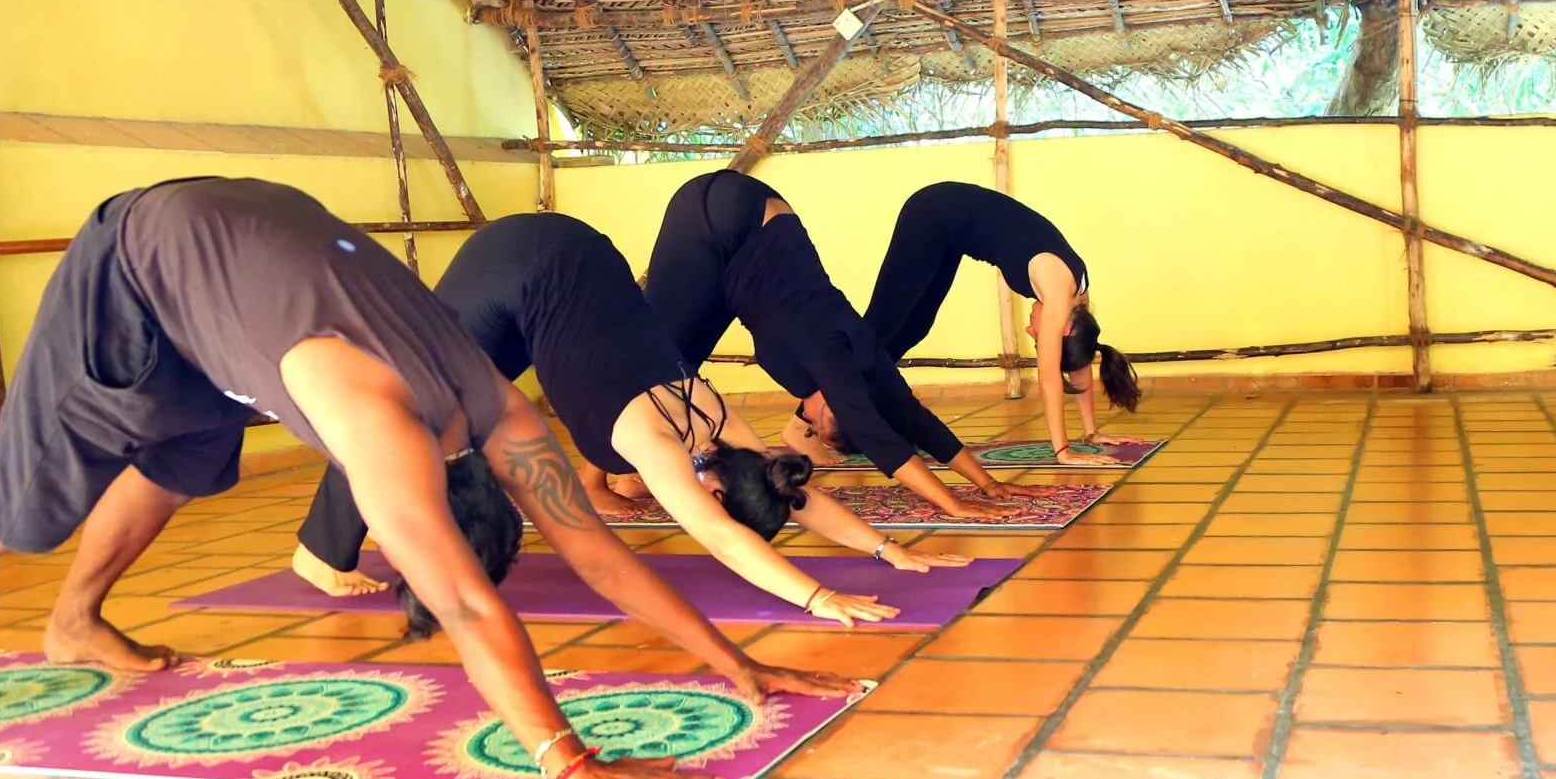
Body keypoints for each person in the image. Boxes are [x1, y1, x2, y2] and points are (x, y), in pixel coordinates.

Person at [0, 177, 855, 779]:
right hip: (136, 269)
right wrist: (568, 762)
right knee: (12, 517)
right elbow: (466, 603)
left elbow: (596, 550)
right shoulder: (379, 429)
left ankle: (75, 621)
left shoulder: (496, 405)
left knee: (178, 461)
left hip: (249, 250)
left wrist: (738, 666)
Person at [289, 211, 970, 615]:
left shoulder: (715, 418)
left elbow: (791, 489)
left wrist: (890, 551)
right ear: (715, 488)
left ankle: (376, 520)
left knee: (448, 398)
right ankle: (319, 554)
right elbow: (720, 536)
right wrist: (820, 598)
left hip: (579, 254)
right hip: (517, 265)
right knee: (404, 400)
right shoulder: (659, 440)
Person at [641, 170, 1019, 520]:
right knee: (650, 359)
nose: (804, 418)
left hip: (753, 219)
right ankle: (618, 479)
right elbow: (874, 434)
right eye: (815, 425)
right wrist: (953, 503)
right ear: (833, 408)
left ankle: (637, 466)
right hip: (719, 215)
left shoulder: (865, 353)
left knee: (677, 365)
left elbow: (913, 417)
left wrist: (986, 483)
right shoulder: (829, 357)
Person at [862, 181, 1141, 461]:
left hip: (949, 231)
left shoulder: (1077, 303)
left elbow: (1080, 358)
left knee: (914, 327)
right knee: (881, 324)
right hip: (933, 211)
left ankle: (860, 409)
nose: (1029, 330)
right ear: (1064, 329)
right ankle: (839, 412)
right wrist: (1063, 451)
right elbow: (1049, 376)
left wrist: (1091, 433)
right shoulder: (1058, 292)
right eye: (1039, 337)